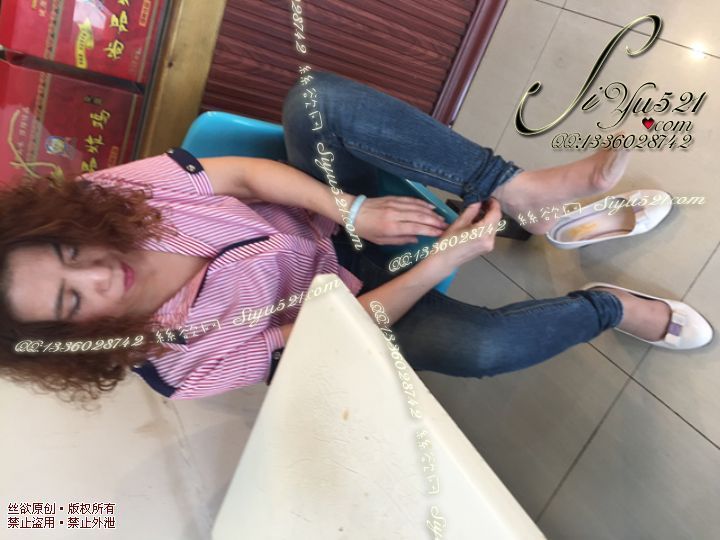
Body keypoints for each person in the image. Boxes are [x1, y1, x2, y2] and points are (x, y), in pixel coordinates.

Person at [0, 71, 710, 403]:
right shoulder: (175, 368)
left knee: (317, 104)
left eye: (69, 252)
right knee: (479, 349)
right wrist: (437, 265)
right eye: (71, 301)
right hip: (360, 303)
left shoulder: (101, 200)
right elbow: (328, 334)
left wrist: (351, 210)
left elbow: (241, 175)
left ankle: (522, 194)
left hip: (335, 218)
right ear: (70, 340)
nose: (98, 273)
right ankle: (609, 307)